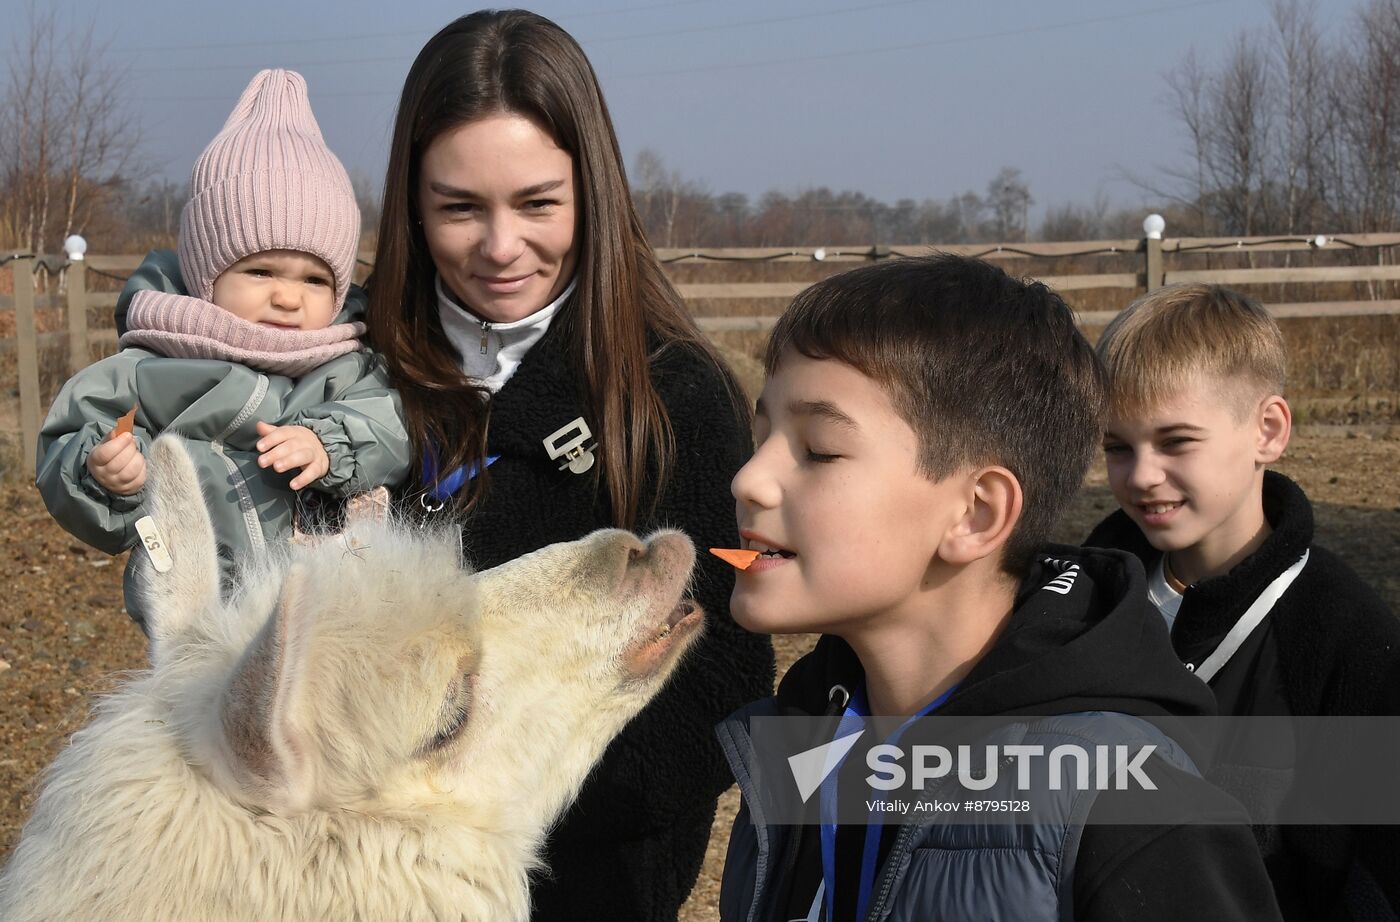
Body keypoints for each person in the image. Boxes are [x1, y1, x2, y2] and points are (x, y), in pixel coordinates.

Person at [716, 255, 1282, 921]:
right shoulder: (796, 752)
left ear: (976, 513)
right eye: (760, 438)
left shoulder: (1137, 815)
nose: (749, 480)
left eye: (818, 449)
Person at [365, 11, 775, 921]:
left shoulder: (677, 395)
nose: (501, 246)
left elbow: (720, 689)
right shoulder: (346, 370)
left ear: (593, 190)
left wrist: (468, 823)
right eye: (460, 206)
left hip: (585, 891)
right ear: (410, 200)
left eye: (538, 203)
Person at [37, 69, 410, 629]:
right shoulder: (153, 365)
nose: (287, 297)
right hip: (203, 624)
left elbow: (394, 426)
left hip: (335, 623)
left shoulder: (348, 362)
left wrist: (330, 442)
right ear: (207, 272)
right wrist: (102, 473)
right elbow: (67, 438)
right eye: (260, 270)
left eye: (314, 279)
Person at [1084, 283, 1400, 919]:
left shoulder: (1351, 642)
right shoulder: (1084, 601)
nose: (1141, 474)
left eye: (1176, 441)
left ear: (1268, 430)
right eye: (1118, 446)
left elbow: (1375, 876)